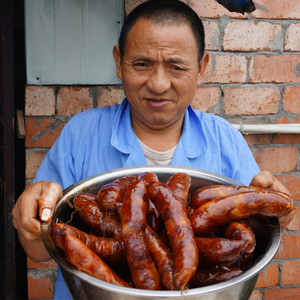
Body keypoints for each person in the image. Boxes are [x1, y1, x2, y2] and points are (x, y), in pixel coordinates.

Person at [11, 0, 292, 299]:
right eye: (142, 64)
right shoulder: (81, 134)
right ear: (119, 61)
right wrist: (30, 223)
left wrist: (278, 216)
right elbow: (41, 249)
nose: (158, 84)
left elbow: (252, 245)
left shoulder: (226, 141)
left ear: (201, 68)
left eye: (176, 66)